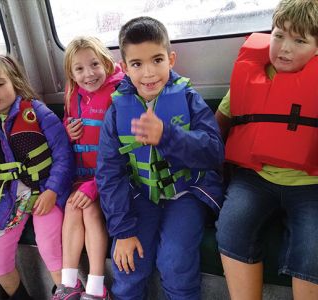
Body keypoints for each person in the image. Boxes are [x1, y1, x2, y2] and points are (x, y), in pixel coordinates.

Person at [95, 16, 224, 300]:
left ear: (171, 59)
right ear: (124, 68)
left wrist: (167, 135)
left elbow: (214, 152)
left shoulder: (190, 99)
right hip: (141, 195)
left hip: (186, 193)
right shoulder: (117, 112)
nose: (149, 72)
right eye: (137, 64)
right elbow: (109, 174)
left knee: (175, 262)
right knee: (129, 264)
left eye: (157, 60)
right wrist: (123, 230)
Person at [215, 0, 318, 299]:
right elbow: (217, 126)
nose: (285, 47)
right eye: (278, 35)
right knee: (232, 226)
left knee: (313, 245)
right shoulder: (250, 78)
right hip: (255, 178)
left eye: (299, 40)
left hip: (311, 184)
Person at [0, 54, 74, 300]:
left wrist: (52, 190)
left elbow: (63, 154)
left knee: (49, 243)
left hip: (45, 191)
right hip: (8, 200)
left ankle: (67, 293)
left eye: (0, 84)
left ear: (15, 82)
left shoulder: (37, 111)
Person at [53, 36, 124, 300]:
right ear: (71, 74)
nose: (89, 74)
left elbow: (123, 150)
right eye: (79, 69)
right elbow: (65, 132)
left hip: (109, 179)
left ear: (106, 62)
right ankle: (68, 284)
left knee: (88, 208)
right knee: (73, 205)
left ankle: (96, 288)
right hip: (81, 177)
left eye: (94, 64)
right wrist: (67, 133)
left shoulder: (119, 94)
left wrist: (95, 185)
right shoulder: (73, 96)